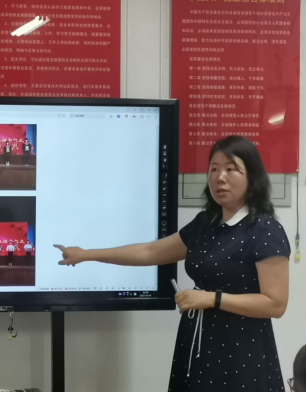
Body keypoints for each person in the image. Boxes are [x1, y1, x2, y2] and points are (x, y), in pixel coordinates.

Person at [54, 136, 291, 392]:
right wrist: (88, 254)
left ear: (251, 176)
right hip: (198, 342)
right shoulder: (205, 224)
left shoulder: (265, 230)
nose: (219, 177)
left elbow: (275, 304)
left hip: (242, 349)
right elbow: (150, 251)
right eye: (213, 168)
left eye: (230, 169)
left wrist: (213, 299)